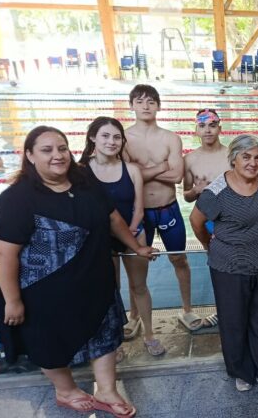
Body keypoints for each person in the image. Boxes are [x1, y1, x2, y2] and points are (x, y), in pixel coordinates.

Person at [0, 126, 155, 416]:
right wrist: (12, 300)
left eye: (62, 148)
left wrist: (136, 246)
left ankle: (106, 389)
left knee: (103, 331)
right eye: (47, 150)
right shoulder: (18, 198)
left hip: (94, 278)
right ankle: (65, 391)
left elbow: (114, 219)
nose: (58, 155)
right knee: (48, 340)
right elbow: (5, 253)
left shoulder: (85, 183)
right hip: (44, 290)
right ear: (29, 155)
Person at [189, 134, 258, 397]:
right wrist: (212, 245)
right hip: (230, 267)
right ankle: (241, 372)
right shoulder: (216, 191)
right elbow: (196, 222)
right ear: (233, 159)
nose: (253, 163)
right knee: (234, 321)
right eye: (246, 157)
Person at [80, 117, 165, 356]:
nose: (112, 141)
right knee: (110, 289)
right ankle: (113, 339)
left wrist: (131, 233)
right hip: (99, 239)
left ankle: (149, 334)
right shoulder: (81, 171)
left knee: (139, 286)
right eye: (105, 136)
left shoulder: (131, 170)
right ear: (92, 138)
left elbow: (139, 207)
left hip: (134, 231)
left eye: (117, 137)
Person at [124, 85, 199, 332]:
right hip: (140, 211)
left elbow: (177, 175)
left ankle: (187, 310)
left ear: (158, 106)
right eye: (140, 101)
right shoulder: (123, 140)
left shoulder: (170, 138)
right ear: (131, 105)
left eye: (151, 101)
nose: (145, 106)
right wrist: (159, 167)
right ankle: (134, 316)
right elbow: (127, 178)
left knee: (180, 259)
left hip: (168, 209)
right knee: (138, 267)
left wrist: (141, 172)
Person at [183, 108, 231, 331]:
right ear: (196, 130)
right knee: (218, 268)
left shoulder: (232, 154)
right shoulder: (190, 159)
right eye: (202, 126)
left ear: (220, 128)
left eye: (212, 125)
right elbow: (186, 195)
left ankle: (239, 308)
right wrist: (197, 190)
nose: (208, 130)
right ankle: (223, 310)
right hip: (207, 222)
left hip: (232, 220)